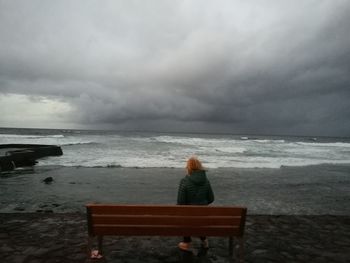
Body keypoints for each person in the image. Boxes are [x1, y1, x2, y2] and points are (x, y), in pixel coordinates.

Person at [177, 156, 215, 251]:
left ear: (188, 167)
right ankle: (204, 240)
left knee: (185, 215)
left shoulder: (185, 181)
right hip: (202, 215)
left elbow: (181, 202)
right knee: (199, 217)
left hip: (188, 216)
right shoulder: (206, 181)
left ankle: (187, 242)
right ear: (200, 166)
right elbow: (211, 198)